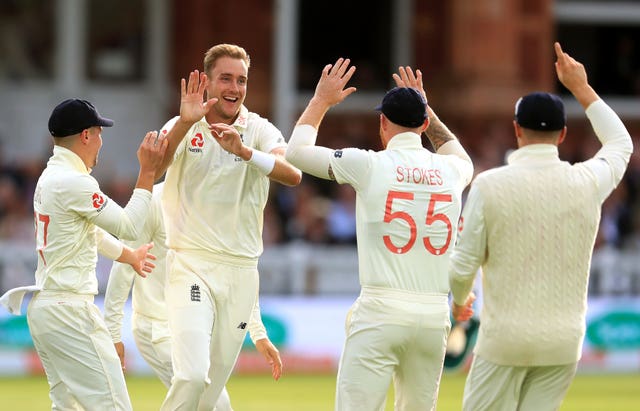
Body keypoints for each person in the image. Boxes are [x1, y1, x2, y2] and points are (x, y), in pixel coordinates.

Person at [449, 42, 634, 411]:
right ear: (563, 135)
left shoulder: (489, 184)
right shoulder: (587, 181)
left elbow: (462, 264)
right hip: (563, 342)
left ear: (516, 130)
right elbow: (620, 143)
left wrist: (459, 301)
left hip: (504, 340)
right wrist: (581, 87)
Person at [285, 59, 473, 410]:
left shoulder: (369, 164)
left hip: (382, 309)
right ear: (425, 123)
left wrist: (321, 101)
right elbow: (456, 151)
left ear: (382, 123)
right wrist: (426, 108)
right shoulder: (454, 170)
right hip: (434, 315)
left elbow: (295, 153)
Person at [155, 43, 298, 410]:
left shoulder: (259, 129)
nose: (234, 88)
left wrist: (245, 152)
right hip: (191, 264)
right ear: (207, 81)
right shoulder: (185, 123)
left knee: (209, 395)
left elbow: (292, 174)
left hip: (240, 273)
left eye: (242, 80)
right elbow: (153, 171)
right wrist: (185, 122)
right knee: (191, 375)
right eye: (225, 79)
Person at [0, 98, 167, 410]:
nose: (101, 142)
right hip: (70, 310)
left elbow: (91, 232)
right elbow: (130, 225)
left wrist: (128, 256)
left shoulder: (50, 178)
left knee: (68, 407)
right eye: (99, 133)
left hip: (47, 309)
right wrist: (147, 171)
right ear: (86, 136)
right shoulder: (74, 182)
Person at [103, 181, 283, 411]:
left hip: (195, 323)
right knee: (213, 403)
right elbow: (124, 265)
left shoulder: (217, 202)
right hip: (156, 327)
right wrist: (113, 332)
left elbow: (238, 271)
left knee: (213, 404)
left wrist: (257, 331)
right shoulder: (154, 201)